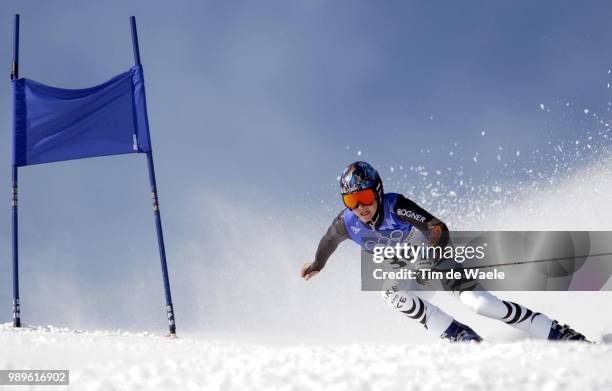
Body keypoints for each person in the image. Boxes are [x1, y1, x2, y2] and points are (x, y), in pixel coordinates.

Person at [300, 161, 588, 342]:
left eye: (364, 197)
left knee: (484, 306)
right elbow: (328, 242)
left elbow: (437, 227)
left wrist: (433, 257)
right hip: (412, 275)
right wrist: (317, 264)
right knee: (391, 294)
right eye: (352, 200)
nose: (360, 207)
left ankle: (557, 332)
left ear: (377, 191)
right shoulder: (346, 223)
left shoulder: (394, 205)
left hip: (438, 264)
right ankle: (460, 336)